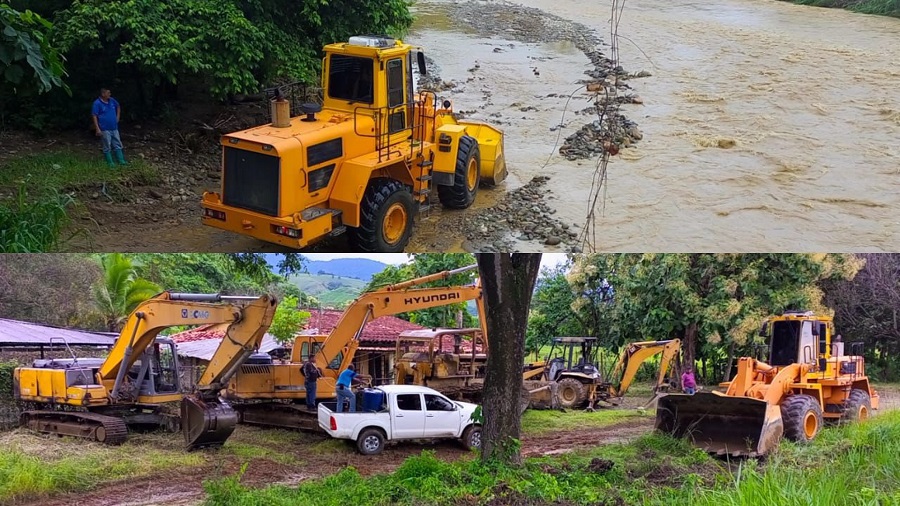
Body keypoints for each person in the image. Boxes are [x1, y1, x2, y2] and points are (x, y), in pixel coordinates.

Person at [91, 88, 127, 168]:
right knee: (107, 145)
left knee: (117, 143)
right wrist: (97, 128)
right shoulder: (97, 103)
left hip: (114, 127)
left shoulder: (112, 100)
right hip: (104, 128)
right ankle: (110, 162)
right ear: (103, 94)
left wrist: (117, 117)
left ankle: (121, 161)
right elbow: (94, 115)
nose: (110, 94)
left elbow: (118, 106)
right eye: (108, 93)